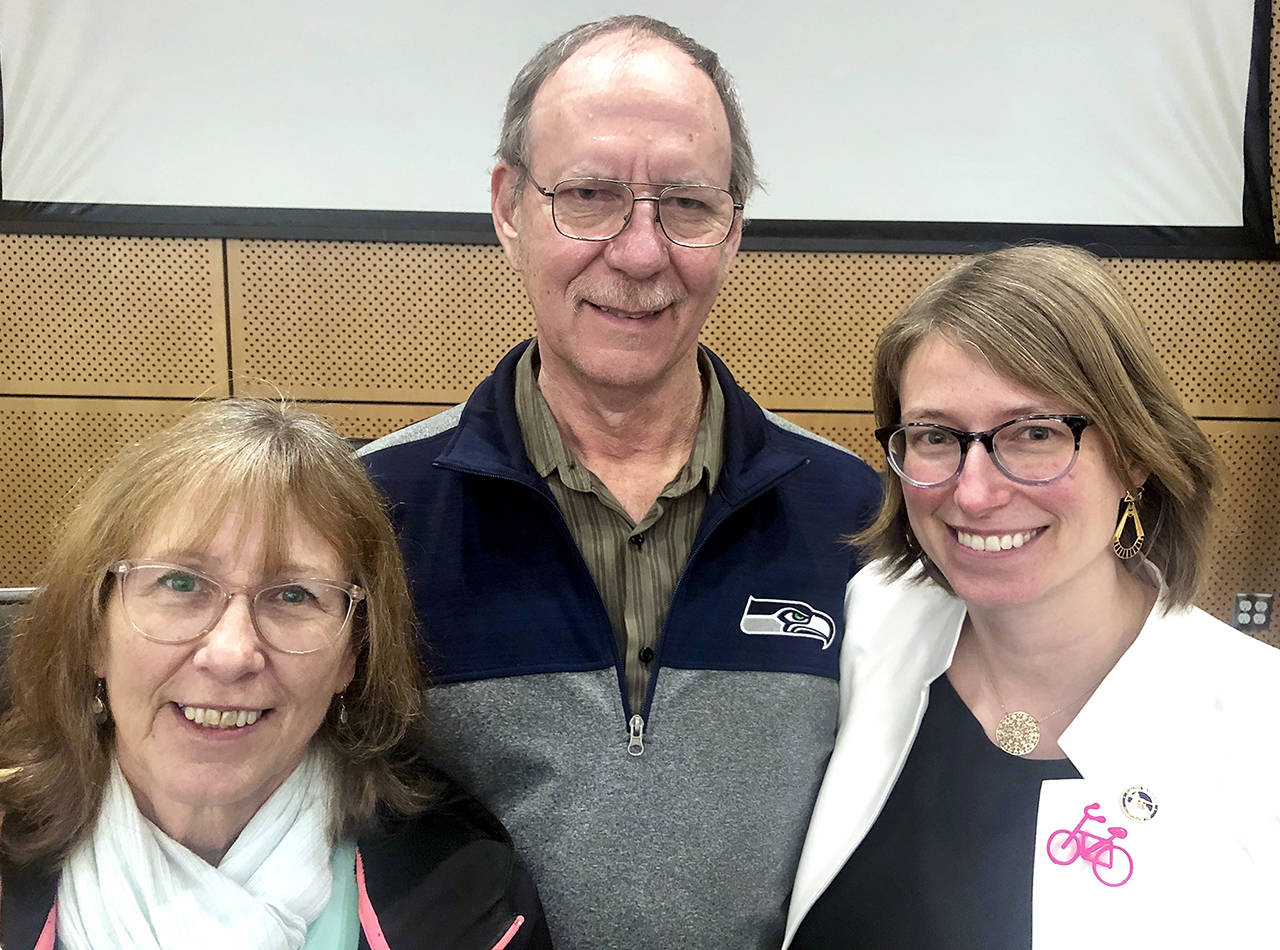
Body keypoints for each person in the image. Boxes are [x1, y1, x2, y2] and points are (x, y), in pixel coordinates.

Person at [359, 15, 881, 950]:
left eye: (686, 204)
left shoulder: (857, 517)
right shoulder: (370, 515)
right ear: (508, 208)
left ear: (734, 228)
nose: (641, 254)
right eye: (590, 196)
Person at [784, 244, 1280, 948]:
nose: (975, 492)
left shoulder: (1260, 727)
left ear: (1136, 454)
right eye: (933, 436)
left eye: (1037, 433)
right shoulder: (875, 621)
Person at [0, 399, 551, 950]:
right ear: (95, 631)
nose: (232, 653)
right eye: (182, 585)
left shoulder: (464, 895)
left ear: (351, 657)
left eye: (294, 595)